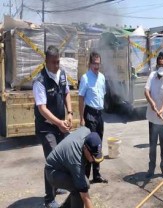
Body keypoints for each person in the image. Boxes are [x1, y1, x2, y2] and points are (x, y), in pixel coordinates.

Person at [33, 45, 73, 208]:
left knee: (63, 156)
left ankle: (56, 186)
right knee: (52, 160)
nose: (57, 66)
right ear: (46, 62)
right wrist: (59, 123)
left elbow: (67, 93)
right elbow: (42, 109)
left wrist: (69, 113)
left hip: (60, 124)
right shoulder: (40, 81)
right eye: (54, 63)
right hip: (46, 127)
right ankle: (49, 199)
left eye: (58, 62)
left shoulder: (61, 74)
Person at [45, 127, 104, 208]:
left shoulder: (87, 131)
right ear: (85, 148)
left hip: (65, 165)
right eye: (92, 157)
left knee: (85, 184)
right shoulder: (76, 159)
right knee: (78, 189)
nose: (93, 160)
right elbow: (85, 196)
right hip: (53, 172)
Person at [79, 51, 108, 184]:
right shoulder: (85, 78)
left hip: (99, 114)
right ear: (90, 64)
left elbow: (103, 94)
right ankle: (85, 176)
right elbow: (81, 98)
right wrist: (81, 117)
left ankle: (96, 175)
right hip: (89, 114)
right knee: (89, 145)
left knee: (99, 145)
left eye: (98, 63)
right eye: (94, 63)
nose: (97, 66)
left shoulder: (102, 77)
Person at [144, 53, 163, 178]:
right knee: (152, 144)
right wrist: (152, 103)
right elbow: (146, 91)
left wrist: (161, 110)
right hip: (152, 117)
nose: (162, 66)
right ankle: (151, 168)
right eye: (160, 64)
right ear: (157, 65)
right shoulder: (152, 76)